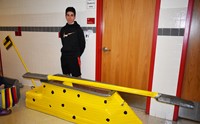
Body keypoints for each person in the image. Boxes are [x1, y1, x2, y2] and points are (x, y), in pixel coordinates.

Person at [60, 7, 85, 77]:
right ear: (65, 16)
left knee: (77, 79)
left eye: (72, 15)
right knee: (66, 79)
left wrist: (77, 55)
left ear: (74, 17)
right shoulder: (63, 29)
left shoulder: (78, 29)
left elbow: (82, 44)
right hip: (64, 58)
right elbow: (63, 43)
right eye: (68, 15)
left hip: (74, 58)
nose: (69, 17)